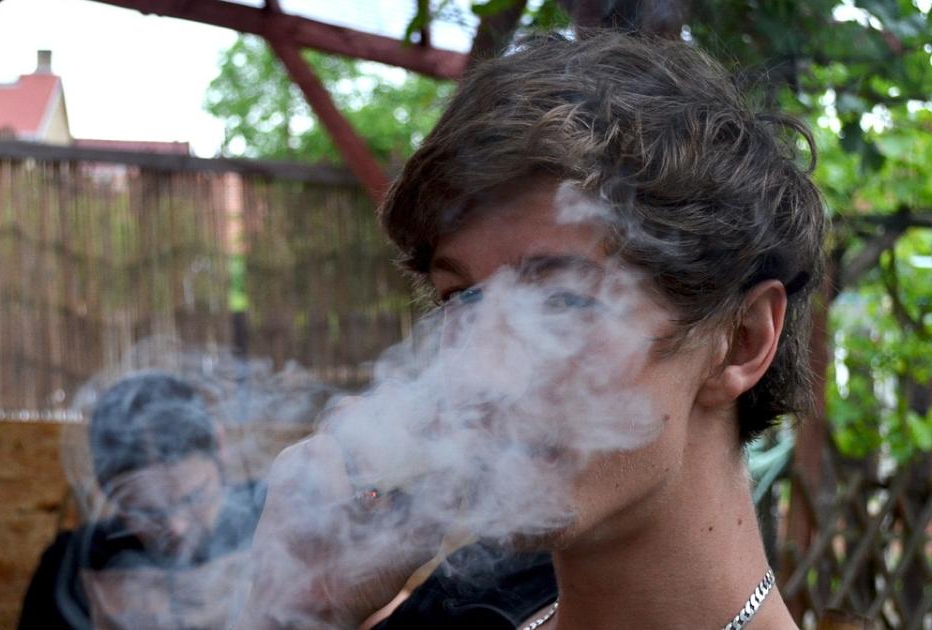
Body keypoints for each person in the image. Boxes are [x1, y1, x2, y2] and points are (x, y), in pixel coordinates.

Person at [235, 30, 824, 630]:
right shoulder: (468, 607)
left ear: (741, 341)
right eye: (460, 297)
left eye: (561, 302)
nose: (478, 371)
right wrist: (299, 612)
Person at [19, 372, 264, 629]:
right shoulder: (76, 566)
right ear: (106, 491)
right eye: (146, 512)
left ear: (220, 446)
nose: (176, 527)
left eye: (193, 498)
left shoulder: (273, 524)